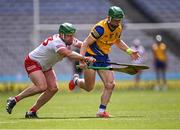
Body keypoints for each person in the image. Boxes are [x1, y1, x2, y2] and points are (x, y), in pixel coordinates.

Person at [6, 22, 95, 118]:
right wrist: (85, 58)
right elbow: (68, 53)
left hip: (46, 65)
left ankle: (32, 111)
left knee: (53, 88)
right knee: (41, 87)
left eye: (72, 35)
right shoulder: (57, 42)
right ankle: (14, 99)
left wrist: (96, 49)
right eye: (69, 35)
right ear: (62, 34)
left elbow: (82, 44)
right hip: (33, 62)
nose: (71, 38)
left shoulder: (68, 39)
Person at [69, 6, 140, 118]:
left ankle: (101, 111)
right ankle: (76, 80)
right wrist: (82, 59)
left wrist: (130, 51)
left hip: (103, 58)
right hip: (90, 57)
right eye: (116, 19)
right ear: (109, 18)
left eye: (119, 20)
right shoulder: (99, 29)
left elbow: (117, 41)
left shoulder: (119, 28)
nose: (117, 22)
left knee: (110, 84)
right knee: (89, 87)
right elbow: (85, 44)